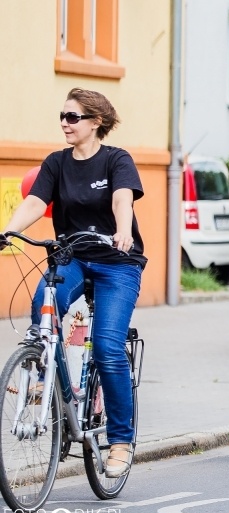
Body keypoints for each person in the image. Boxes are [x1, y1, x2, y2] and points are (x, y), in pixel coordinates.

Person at [0, 88, 145, 478]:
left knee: (108, 349)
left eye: (73, 117)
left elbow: (122, 199)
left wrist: (122, 230)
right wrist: (8, 231)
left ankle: (120, 441)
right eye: (62, 116)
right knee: (45, 295)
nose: (65, 123)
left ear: (95, 122)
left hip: (117, 262)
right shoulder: (56, 163)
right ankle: (39, 369)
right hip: (74, 257)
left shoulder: (117, 160)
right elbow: (34, 202)